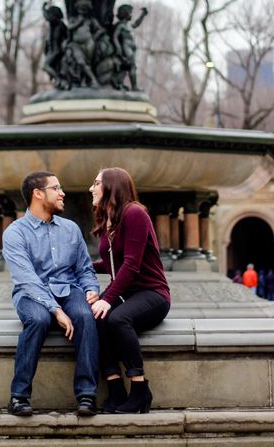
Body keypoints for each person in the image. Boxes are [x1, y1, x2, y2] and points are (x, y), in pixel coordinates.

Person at [2, 170, 100, 417]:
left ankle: (87, 394)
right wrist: (55, 310)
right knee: (38, 319)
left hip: (69, 289)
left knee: (85, 316)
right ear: (38, 194)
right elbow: (27, 280)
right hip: (31, 294)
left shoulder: (71, 229)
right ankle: (19, 396)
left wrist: (91, 290)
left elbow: (85, 269)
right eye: (56, 188)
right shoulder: (15, 233)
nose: (62, 192)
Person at [89, 167, 170, 414]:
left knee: (117, 318)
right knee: (95, 319)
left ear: (112, 186)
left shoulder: (135, 213)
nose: (91, 189)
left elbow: (131, 264)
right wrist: (82, 269)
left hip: (152, 292)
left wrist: (108, 298)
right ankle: (115, 391)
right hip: (126, 292)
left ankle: (139, 390)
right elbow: (111, 263)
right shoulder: (107, 220)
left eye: (96, 183)